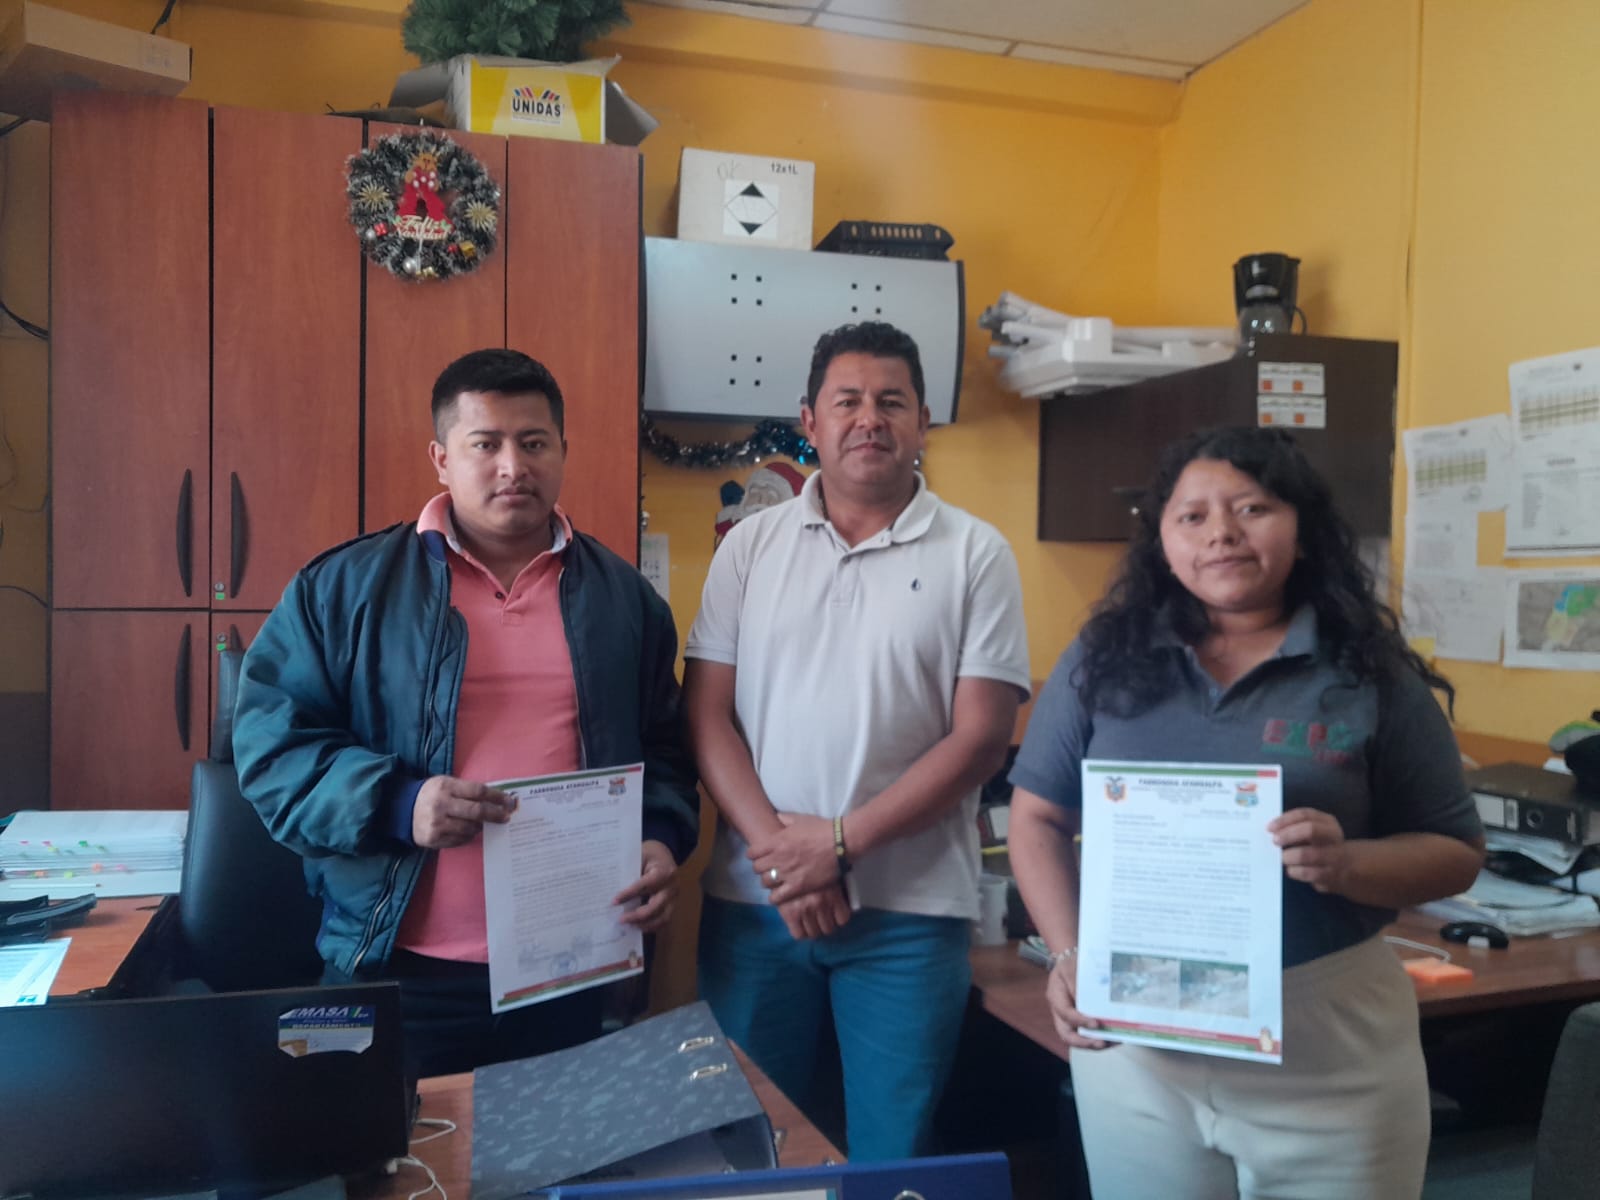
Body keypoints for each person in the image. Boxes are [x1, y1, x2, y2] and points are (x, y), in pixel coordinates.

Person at [1007, 425, 1485, 1199]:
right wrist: (1069, 955)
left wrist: (1348, 863)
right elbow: (1036, 819)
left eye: (1252, 508)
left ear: (1302, 529)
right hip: (1139, 1051)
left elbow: (1457, 849)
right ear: (1163, 542)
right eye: (1192, 516)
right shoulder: (1104, 657)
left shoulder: (1369, 671)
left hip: (1329, 1051)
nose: (1221, 533)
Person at [233, 348, 699, 1078]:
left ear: (562, 451)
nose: (513, 466)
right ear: (442, 459)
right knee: (400, 1152)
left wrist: (660, 838)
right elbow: (271, 753)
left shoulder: (624, 601)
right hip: (398, 968)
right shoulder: (345, 589)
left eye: (534, 442)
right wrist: (398, 802)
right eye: (486, 444)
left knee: (558, 1148)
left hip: (568, 966)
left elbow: (666, 749)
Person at [684, 320, 1031, 1160]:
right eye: (847, 401)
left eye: (891, 402)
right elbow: (705, 716)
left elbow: (983, 738)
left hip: (910, 919)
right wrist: (785, 860)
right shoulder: (749, 548)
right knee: (747, 1151)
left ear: (923, 423)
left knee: (892, 1155)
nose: (869, 418)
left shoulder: (976, 553)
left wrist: (838, 845)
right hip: (756, 906)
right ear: (810, 420)